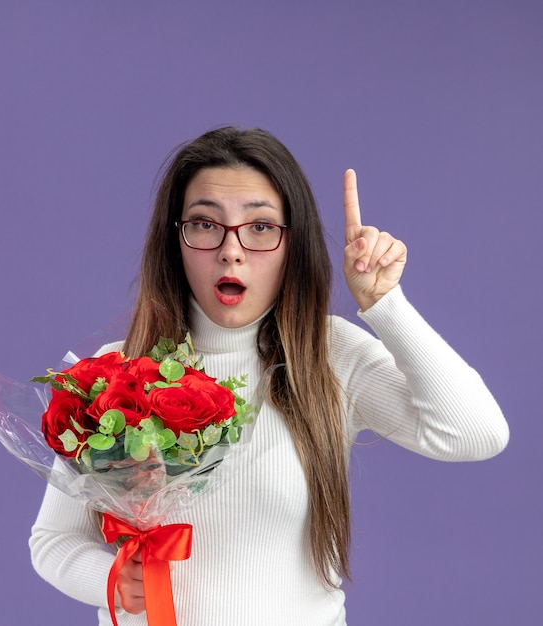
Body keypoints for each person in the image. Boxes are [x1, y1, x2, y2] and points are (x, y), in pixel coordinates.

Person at [30, 126, 509, 625]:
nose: (231, 250)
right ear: (176, 240)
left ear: (291, 244)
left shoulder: (328, 354)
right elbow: (53, 541)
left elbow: (476, 433)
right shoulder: (118, 376)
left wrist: (385, 305)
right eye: (204, 223)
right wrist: (110, 581)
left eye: (260, 227)